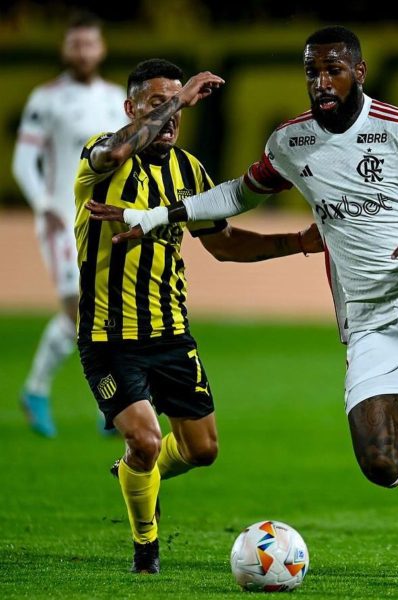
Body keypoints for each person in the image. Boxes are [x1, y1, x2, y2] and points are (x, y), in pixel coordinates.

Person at [86, 28, 398, 587]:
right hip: (368, 317)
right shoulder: (290, 143)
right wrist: (154, 217)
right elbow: (238, 195)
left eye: (333, 70)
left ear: (360, 72)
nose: (322, 82)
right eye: (312, 73)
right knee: (383, 464)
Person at [74, 58, 322, 574]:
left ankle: (136, 473)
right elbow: (120, 146)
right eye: (156, 105)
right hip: (109, 336)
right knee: (144, 438)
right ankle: (147, 548)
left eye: (175, 111)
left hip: (172, 335)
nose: (169, 119)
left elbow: (225, 246)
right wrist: (180, 96)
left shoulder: (191, 172)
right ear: (130, 108)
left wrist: (298, 242)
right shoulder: (101, 158)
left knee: (202, 449)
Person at [12, 12, 128, 437]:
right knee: (78, 308)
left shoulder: (117, 97)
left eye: (90, 44)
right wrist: (44, 204)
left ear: (102, 49)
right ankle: (38, 390)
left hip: (108, 218)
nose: (83, 52)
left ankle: (111, 404)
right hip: (64, 219)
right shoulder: (46, 98)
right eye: (76, 44)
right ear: (66, 49)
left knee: (110, 309)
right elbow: (23, 161)